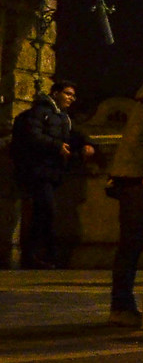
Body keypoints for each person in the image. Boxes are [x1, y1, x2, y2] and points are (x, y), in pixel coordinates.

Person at [104, 79, 143, 324]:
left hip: (128, 178)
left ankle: (123, 304)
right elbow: (141, 142)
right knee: (131, 244)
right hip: (136, 181)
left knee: (131, 244)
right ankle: (121, 305)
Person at [9, 79, 79, 269]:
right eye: (67, 93)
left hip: (49, 171)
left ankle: (39, 256)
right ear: (55, 93)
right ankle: (36, 256)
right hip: (38, 171)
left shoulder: (62, 116)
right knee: (45, 211)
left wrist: (88, 143)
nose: (71, 98)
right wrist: (56, 146)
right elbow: (33, 134)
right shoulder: (41, 112)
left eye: (73, 95)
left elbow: (74, 134)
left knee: (44, 211)